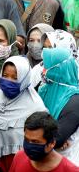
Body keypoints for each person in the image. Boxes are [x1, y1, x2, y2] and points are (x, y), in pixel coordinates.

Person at [0, 56, 47, 172]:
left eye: (15, 78)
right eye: (5, 75)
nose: (8, 80)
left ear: (24, 78)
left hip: (18, 162)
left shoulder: (35, 106)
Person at [38, 30, 79, 165]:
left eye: (51, 49)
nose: (44, 68)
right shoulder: (44, 87)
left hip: (65, 162)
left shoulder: (73, 100)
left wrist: (52, 140)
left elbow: (57, 138)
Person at [9, 112, 79, 172]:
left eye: (35, 141)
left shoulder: (70, 170)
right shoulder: (19, 157)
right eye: (26, 140)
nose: (29, 145)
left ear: (52, 143)